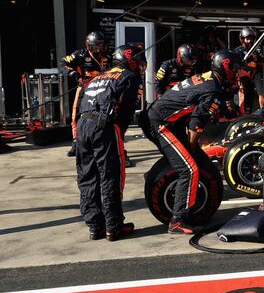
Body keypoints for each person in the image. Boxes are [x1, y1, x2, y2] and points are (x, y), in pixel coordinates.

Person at [143, 50, 240, 234]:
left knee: (191, 158)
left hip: (167, 119)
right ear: (225, 67)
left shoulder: (208, 77)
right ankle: (178, 220)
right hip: (160, 122)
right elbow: (196, 125)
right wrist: (192, 147)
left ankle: (158, 174)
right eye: (234, 68)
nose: (237, 72)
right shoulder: (212, 90)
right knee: (189, 168)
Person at [75, 44, 145, 241]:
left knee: (87, 177)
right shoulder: (130, 77)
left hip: (82, 125)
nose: (139, 65)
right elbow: (126, 113)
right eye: (137, 60)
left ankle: (95, 226)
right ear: (129, 59)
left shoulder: (98, 76)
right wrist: (119, 135)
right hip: (103, 125)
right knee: (109, 175)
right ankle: (113, 227)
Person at [62, 31, 109, 157]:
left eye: (101, 45)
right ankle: (76, 142)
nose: (98, 48)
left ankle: (104, 142)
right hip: (84, 88)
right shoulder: (80, 55)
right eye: (95, 46)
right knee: (76, 115)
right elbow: (64, 63)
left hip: (104, 89)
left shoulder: (109, 56)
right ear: (88, 45)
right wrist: (72, 73)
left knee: (106, 116)